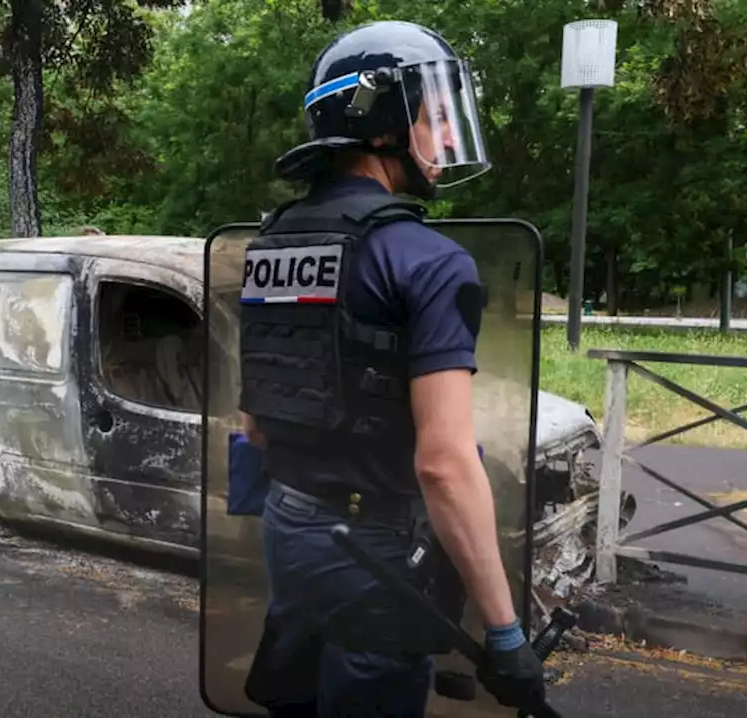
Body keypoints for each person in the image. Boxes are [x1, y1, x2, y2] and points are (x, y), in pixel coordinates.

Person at [237, 20, 544, 718]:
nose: (443, 140)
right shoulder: (430, 262)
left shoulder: (273, 242)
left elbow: (257, 423)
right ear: (378, 122)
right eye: (433, 118)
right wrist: (505, 634)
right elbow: (443, 464)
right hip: (376, 554)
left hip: (290, 530)